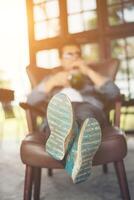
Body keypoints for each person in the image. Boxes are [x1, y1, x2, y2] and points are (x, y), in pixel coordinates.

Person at [27, 44, 120, 184]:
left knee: (83, 111)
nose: (75, 57)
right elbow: (30, 101)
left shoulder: (90, 79)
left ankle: (67, 141)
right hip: (57, 114)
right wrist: (52, 82)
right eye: (69, 54)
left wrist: (88, 71)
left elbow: (115, 93)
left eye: (77, 54)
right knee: (59, 113)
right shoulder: (52, 79)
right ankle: (75, 151)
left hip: (88, 110)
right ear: (61, 60)